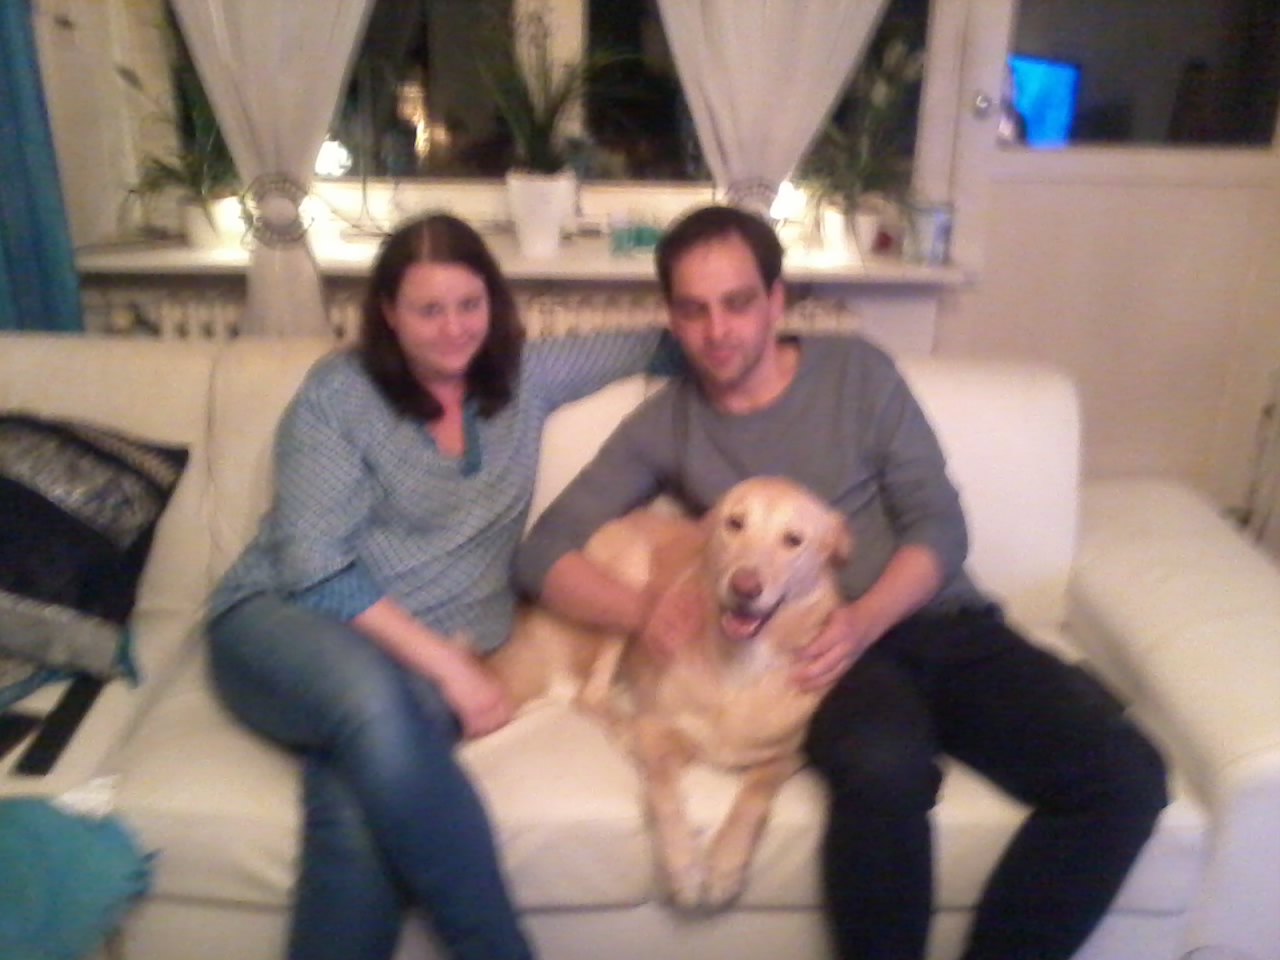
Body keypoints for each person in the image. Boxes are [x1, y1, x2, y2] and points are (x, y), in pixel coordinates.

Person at [513, 204, 1169, 960]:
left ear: (776, 301)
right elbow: (542, 552)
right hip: (820, 660)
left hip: (937, 621)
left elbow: (939, 525)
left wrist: (865, 619)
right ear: (672, 317)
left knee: (1126, 777)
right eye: (693, 310)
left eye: (737, 303)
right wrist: (641, 609)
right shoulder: (666, 423)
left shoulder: (857, 372)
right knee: (883, 770)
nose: (718, 330)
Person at [206, 212, 673, 960]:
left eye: (469, 304)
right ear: (388, 313)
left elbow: (657, 342)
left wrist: (784, 354)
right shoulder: (340, 393)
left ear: (493, 302)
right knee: (372, 698)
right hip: (282, 623)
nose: (455, 329)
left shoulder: (523, 378)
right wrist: (450, 667)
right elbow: (311, 564)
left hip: (423, 660)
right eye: (429, 310)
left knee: (354, 805)